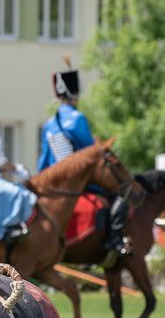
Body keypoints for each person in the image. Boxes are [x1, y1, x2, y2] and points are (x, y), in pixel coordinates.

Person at [37, 67, 131, 264]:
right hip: (77, 181)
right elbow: (91, 154)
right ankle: (114, 242)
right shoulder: (78, 118)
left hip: (55, 183)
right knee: (119, 195)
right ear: (75, 94)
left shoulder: (49, 123)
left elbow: (44, 159)